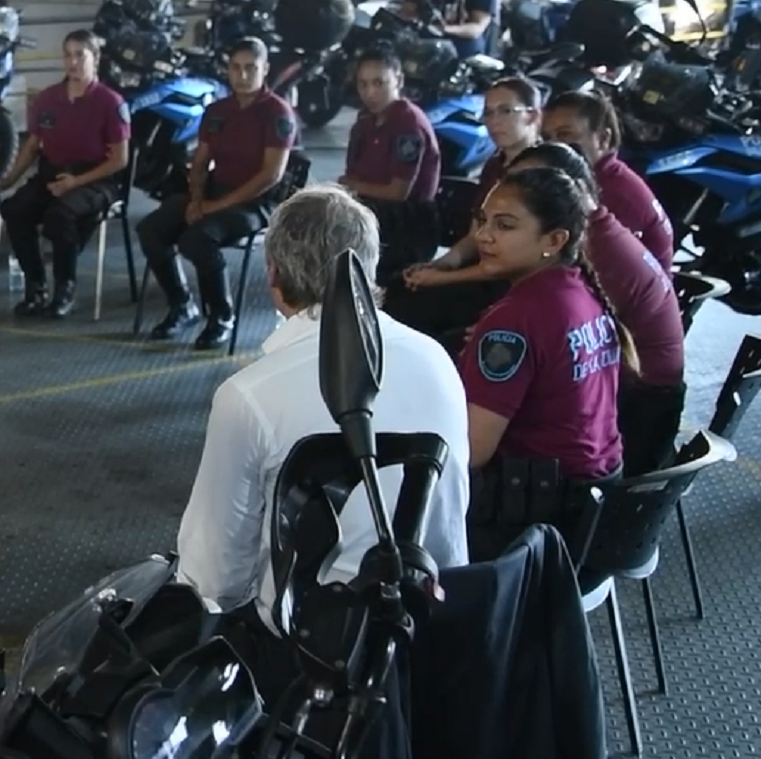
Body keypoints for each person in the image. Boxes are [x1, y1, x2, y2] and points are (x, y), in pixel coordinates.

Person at [174, 184, 469, 627]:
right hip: (435, 617)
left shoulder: (249, 396)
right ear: (368, 268)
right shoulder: (436, 358)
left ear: (272, 274)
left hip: (312, 645)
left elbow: (215, 578)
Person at [506, 142, 684, 474]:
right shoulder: (596, 229)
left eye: (529, 186)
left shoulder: (597, 248)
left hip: (640, 406)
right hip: (631, 386)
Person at [458, 167, 630, 482]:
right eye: (483, 221)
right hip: (596, 489)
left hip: (534, 503)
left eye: (505, 226)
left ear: (554, 239)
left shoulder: (515, 320)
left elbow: (471, 451)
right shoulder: (581, 290)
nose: (483, 235)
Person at [138, 38, 298, 349]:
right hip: (213, 191)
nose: (243, 75)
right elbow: (199, 162)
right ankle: (182, 304)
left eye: (251, 68)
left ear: (265, 69)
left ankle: (221, 316)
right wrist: (197, 198)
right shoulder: (217, 110)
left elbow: (271, 175)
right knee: (151, 229)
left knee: (197, 238)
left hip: (256, 201)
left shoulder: (277, 113)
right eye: (236, 68)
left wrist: (213, 206)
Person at [382, 75, 545, 347]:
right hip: (480, 269)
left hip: (511, 285)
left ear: (532, 116)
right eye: (488, 113)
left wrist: (444, 278)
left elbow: (508, 264)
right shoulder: (495, 165)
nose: (494, 121)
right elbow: (476, 234)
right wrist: (443, 263)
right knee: (398, 287)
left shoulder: (542, 171)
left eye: (505, 111)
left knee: (413, 312)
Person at [0, 29, 130, 319]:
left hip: (96, 178)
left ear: (96, 58)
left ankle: (64, 289)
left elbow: (120, 159)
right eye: (68, 55)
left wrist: (76, 182)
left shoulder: (110, 102)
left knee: (61, 215)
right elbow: (32, 147)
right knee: (15, 210)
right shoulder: (48, 99)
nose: (73, 62)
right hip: (52, 174)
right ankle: (35, 285)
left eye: (80, 55)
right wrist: (8, 179)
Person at [540, 89, 674, 271]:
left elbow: (585, 267)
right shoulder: (587, 178)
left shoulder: (615, 194)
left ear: (603, 139)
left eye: (565, 134)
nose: (554, 146)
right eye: (547, 138)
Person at [338, 48, 442, 278]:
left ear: (399, 80)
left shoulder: (407, 123)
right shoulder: (365, 121)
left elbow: (397, 192)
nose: (370, 92)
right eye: (363, 84)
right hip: (370, 208)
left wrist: (351, 186)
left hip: (405, 223)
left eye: (379, 83)